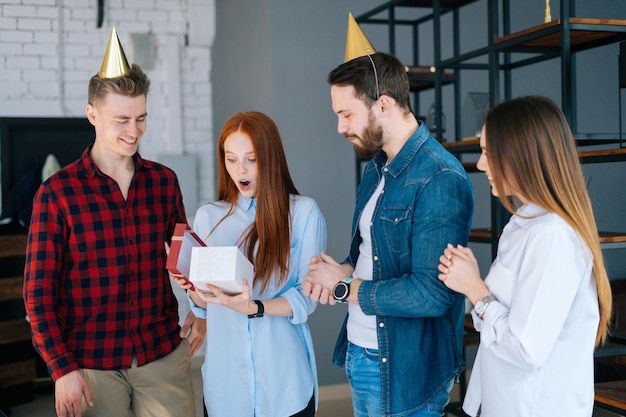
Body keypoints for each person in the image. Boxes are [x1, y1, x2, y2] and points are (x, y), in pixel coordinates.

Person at [23, 28, 204, 417]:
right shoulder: (56, 195)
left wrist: (201, 306)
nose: (134, 131)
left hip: (162, 355)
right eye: (121, 119)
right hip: (90, 365)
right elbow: (38, 295)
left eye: (141, 118)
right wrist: (61, 369)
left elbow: (185, 257)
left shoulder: (164, 181)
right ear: (92, 114)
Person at [302, 14, 474, 417]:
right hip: (365, 352)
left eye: (346, 114)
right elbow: (374, 259)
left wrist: (346, 287)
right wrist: (339, 272)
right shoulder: (377, 168)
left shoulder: (439, 177)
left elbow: (431, 293)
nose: (340, 127)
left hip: (404, 369)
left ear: (384, 104)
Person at [437, 95, 613, 417]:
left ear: (521, 156)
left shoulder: (552, 236)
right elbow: (498, 321)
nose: (480, 164)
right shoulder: (526, 223)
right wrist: (474, 288)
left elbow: (525, 347)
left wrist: (475, 289)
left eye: (489, 152)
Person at [172, 111, 327, 417]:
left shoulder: (304, 213)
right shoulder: (208, 217)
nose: (239, 170)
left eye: (250, 159)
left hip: (285, 384)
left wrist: (255, 306)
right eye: (231, 159)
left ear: (270, 159)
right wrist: (192, 289)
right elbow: (204, 306)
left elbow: (306, 298)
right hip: (226, 388)